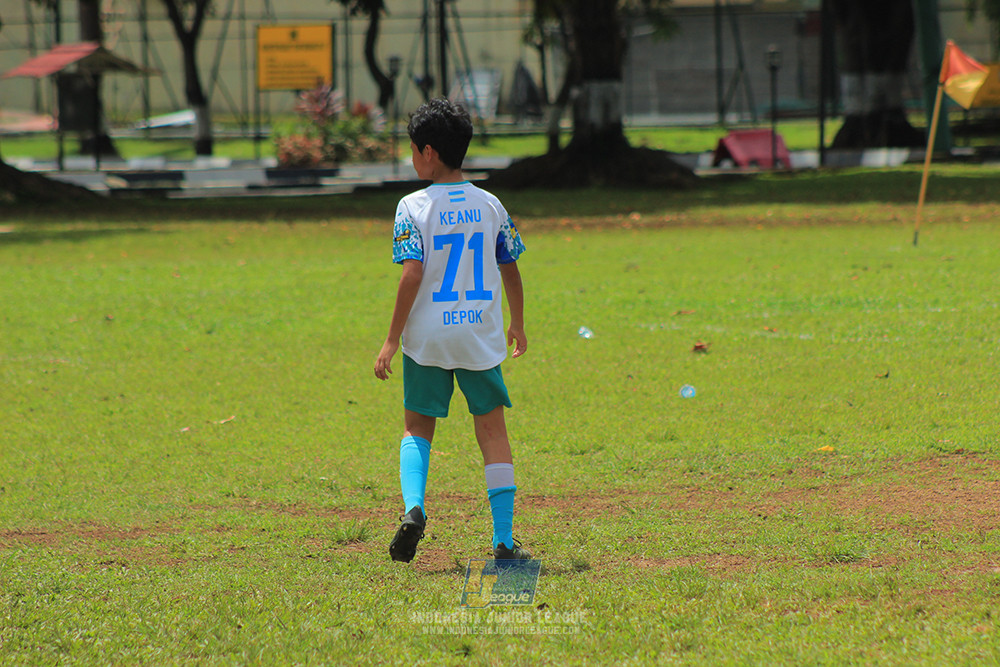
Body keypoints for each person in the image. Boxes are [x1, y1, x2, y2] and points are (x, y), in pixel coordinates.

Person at [374, 98, 529, 564]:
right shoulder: (490, 204)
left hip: (428, 339)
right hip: (479, 336)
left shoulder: (412, 206)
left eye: (412, 150)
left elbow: (412, 273)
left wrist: (391, 338)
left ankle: (414, 509)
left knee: (417, 428)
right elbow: (511, 266)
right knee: (493, 432)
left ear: (428, 152)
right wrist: (517, 322)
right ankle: (503, 538)